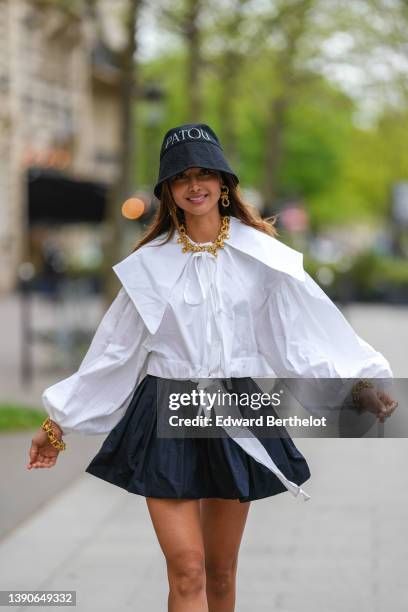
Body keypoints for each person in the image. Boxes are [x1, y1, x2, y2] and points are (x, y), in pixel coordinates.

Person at [27, 123, 397, 612]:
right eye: (181, 178)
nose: (194, 185)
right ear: (168, 192)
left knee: (220, 574)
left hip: (235, 408)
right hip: (165, 413)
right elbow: (114, 353)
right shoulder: (149, 266)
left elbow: (300, 336)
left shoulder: (263, 256)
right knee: (187, 570)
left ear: (224, 182)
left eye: (205, 173)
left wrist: (358, 385)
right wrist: (57, 424)